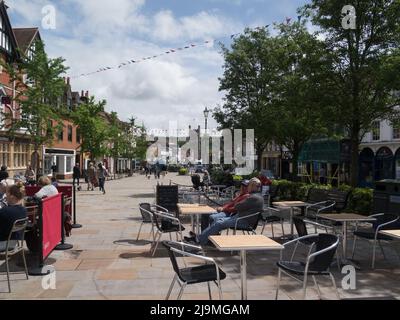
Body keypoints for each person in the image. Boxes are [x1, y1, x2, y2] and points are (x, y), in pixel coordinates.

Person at [185, 178, 264, 245]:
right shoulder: (256, 196)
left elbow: (237, 206)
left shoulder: (253, 197)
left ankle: (199, 239)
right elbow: (235, 205)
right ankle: (203, 238)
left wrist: (234, 204)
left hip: (243, 221)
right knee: (217, 220)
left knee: (218, 222)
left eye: (248, 185)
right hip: (239, 218)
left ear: (252, 186)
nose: (247, 187)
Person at [0, 183, 27, 251]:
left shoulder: (5, 210)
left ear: (12, 196)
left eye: (7, 194)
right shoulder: (24, 210)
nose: (5, 196)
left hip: (3, 244)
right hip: (14, 242)